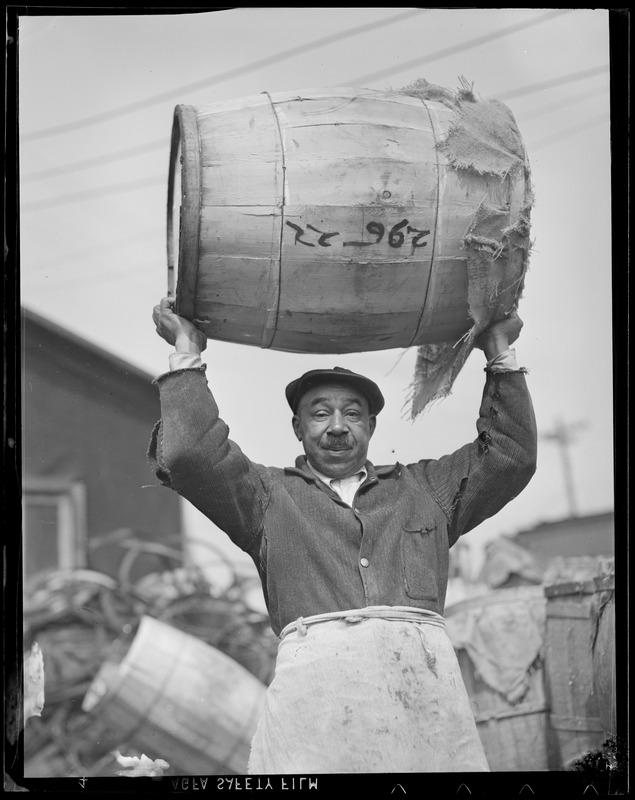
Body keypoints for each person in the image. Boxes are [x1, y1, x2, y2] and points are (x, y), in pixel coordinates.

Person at [149, 296, 537, 774]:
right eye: (320, 413)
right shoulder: (266, 499)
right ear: (297, 427)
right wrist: (187, 351)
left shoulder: (425, 491)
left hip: (425, 714)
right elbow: (191, 454)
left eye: (352, 413)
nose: (337, 427)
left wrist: (499, 354)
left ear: (372, 426)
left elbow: (510, 455)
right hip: (315, 722)